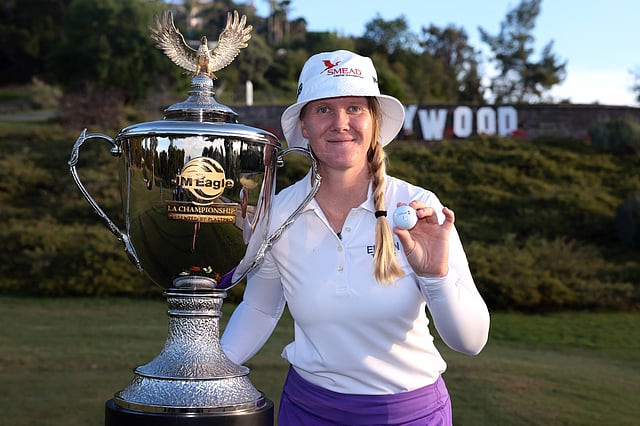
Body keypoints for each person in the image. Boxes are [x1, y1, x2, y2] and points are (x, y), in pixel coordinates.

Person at [221, 50, 490, 426]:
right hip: (308, 411)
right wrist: (207, 372)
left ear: (374, 121)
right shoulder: (277, 213)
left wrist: (436, 276)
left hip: (410, 414)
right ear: (304, 125)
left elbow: (471, 341)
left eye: (354, 108)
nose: (340, 123)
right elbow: (260, 308)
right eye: (324, 109)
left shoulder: (418, 208)